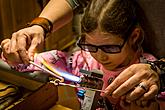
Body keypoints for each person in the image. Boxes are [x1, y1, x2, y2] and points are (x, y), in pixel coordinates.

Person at [1, 0, 161, 109]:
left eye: (110, 48)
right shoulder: (80, 60)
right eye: (90, 46)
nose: (100, 56)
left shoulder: (149, 75)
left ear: (134, 37)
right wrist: (14, 55)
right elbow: (27, 65)